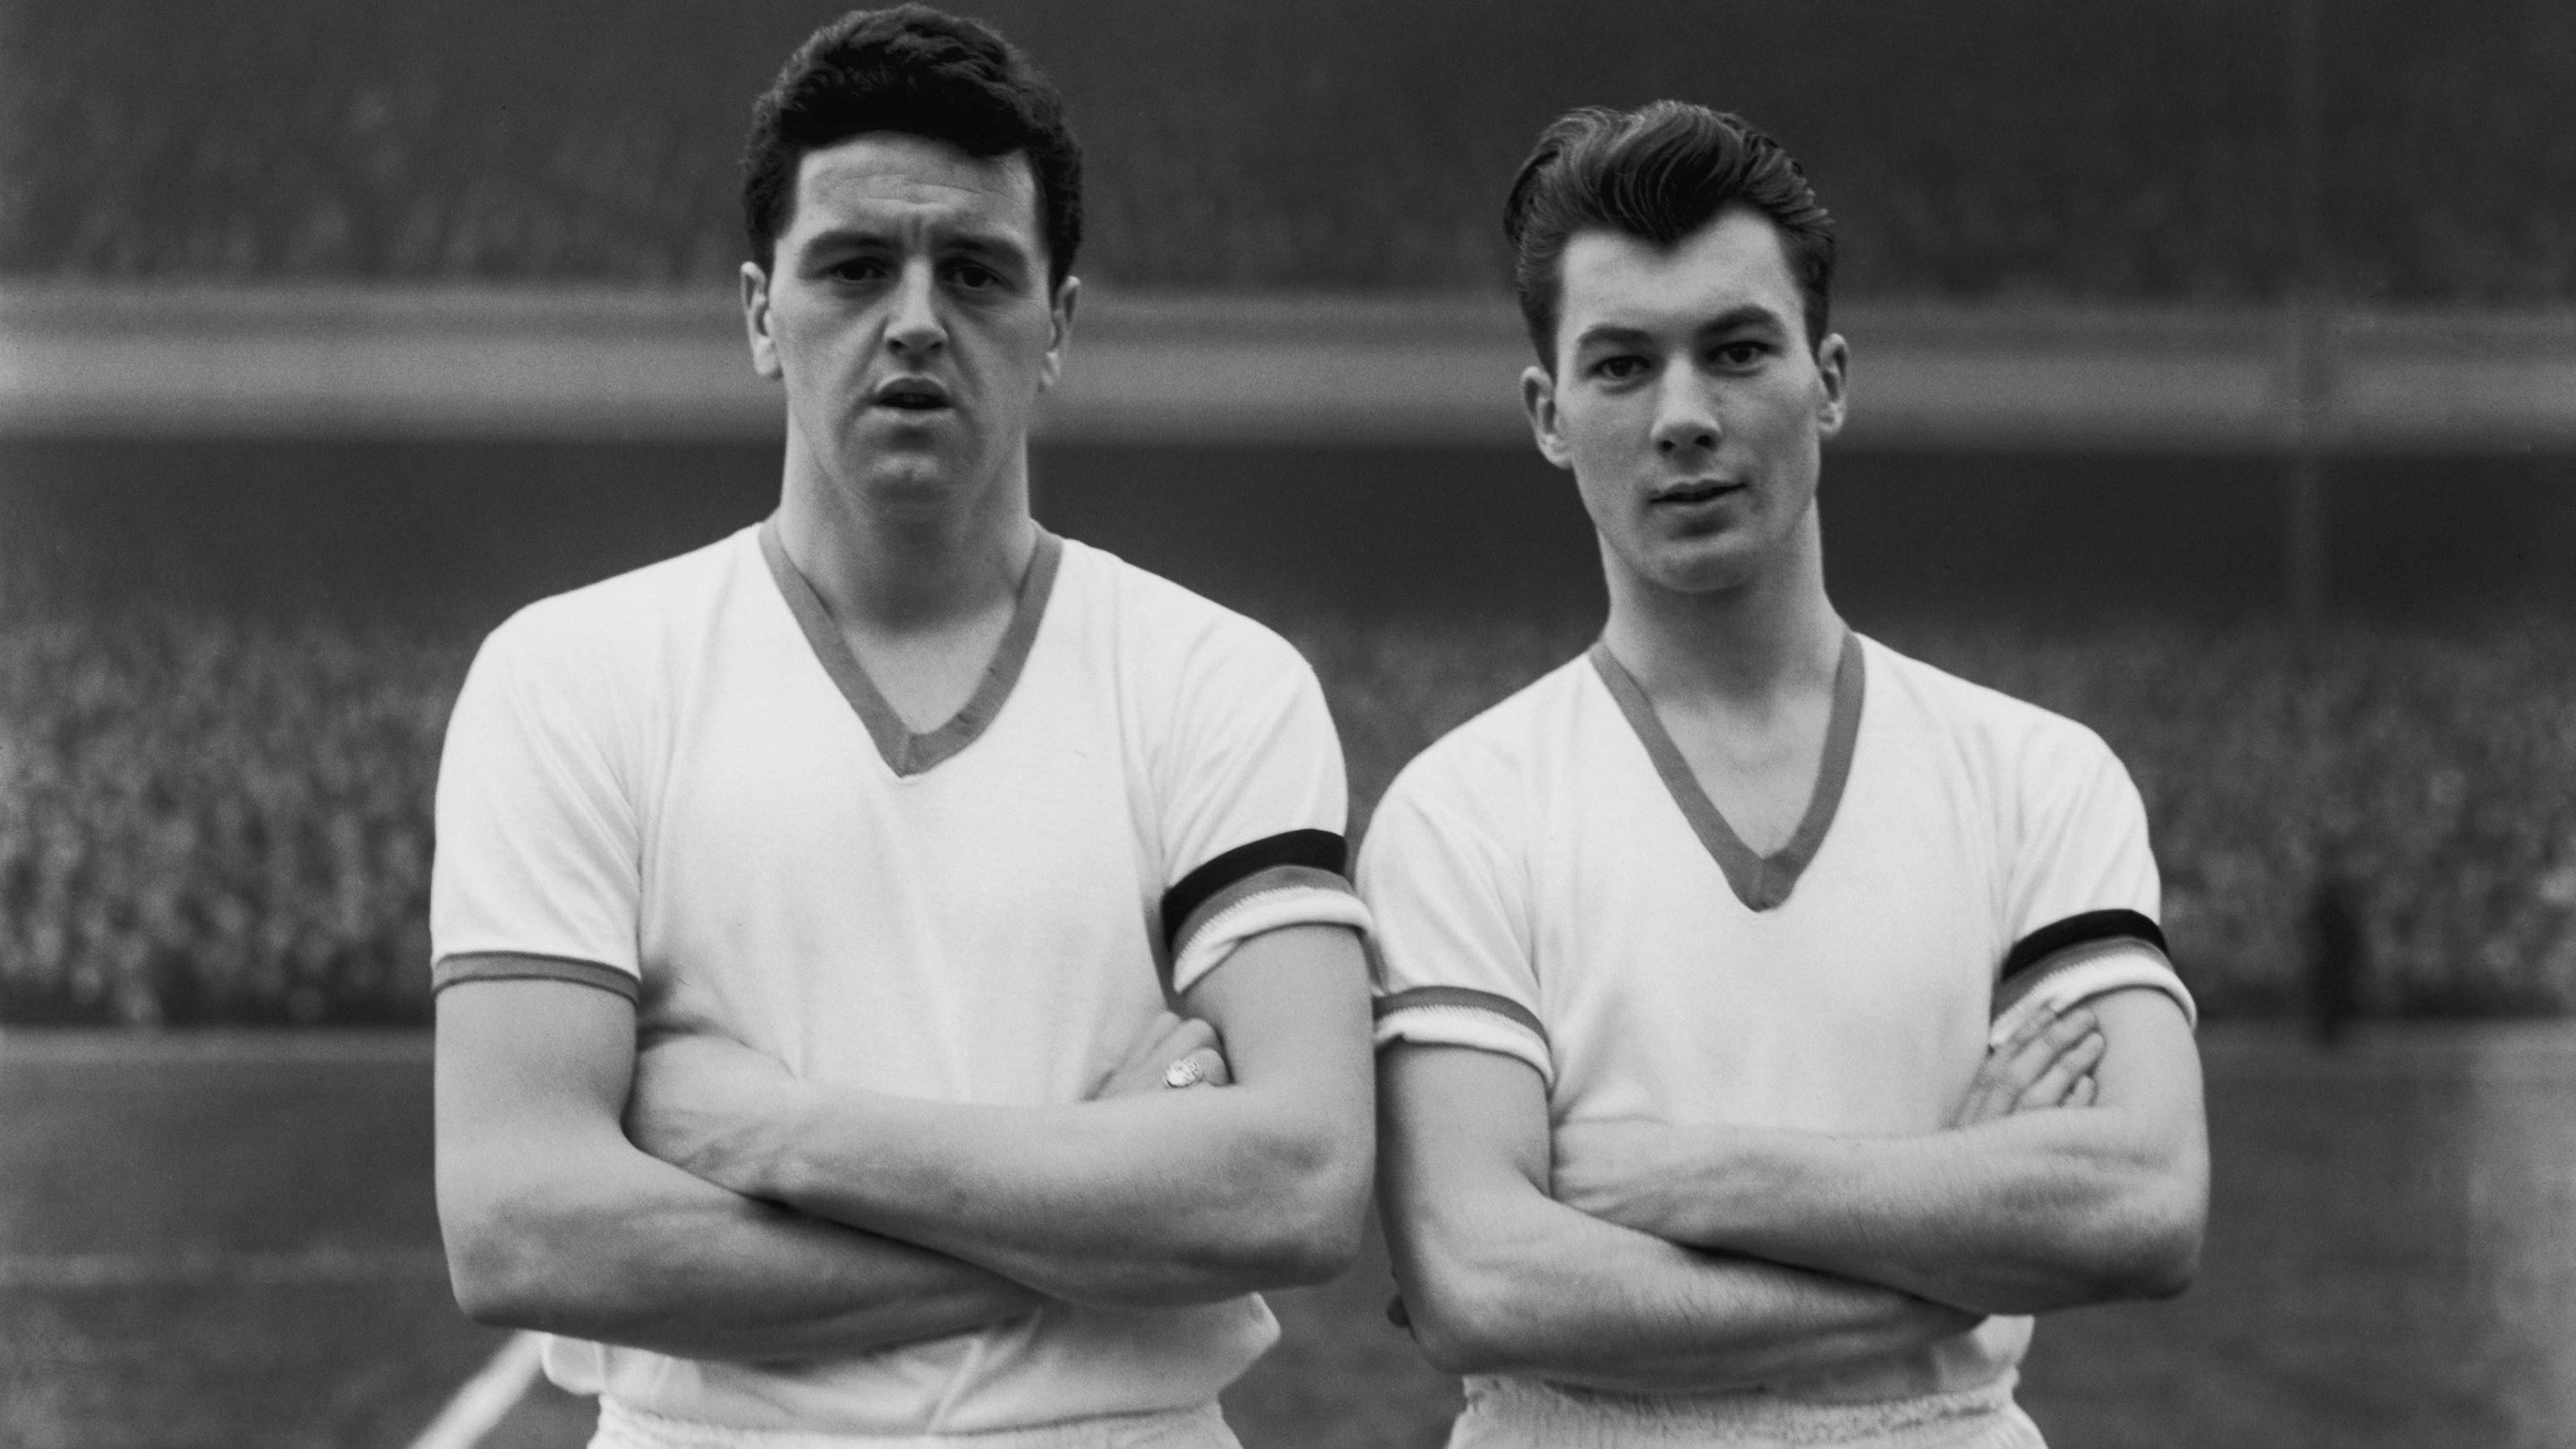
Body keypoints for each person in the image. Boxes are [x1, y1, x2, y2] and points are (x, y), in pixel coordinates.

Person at [426, 9, 1375, 1446]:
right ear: (762, 312)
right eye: (857, 266)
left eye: (979, 273)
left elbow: (1301, 1185)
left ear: (1056, 323)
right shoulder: (566, 676)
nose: (917, 318)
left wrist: (766, 1133)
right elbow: (522, 1231)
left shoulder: (1221, 683)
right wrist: (1110, 1213)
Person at [1364, 101, 2208, 1448]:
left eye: (1737, 350)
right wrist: (1949, 1237)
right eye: (1624, 365)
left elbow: (2145, 1202)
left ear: (1829, 379)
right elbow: (1479, 1282)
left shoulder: (2039, 776)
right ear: (1548, 412)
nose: (1685, 414)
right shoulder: (1460, 814)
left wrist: (1693, 1179)